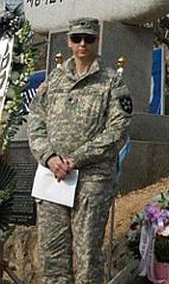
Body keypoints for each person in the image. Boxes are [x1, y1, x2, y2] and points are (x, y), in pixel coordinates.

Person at [28, 18, 132, 284]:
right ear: (69, 41)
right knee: (53, 256)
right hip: (54, 179)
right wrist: (50, 158)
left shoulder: (111, 83)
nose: (82, 44)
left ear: (97, 41)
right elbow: (36, 123)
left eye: (88, 38)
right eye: (77, 39)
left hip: (91, 181)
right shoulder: (53, 81)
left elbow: (118, 130)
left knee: (87, 257)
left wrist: (77, 159)